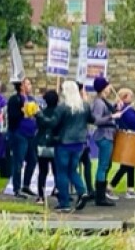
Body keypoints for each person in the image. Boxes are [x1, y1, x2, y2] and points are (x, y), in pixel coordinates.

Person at [54, 80, 94, 213]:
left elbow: (55, 123)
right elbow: (91, 119)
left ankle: (64, 202)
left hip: (64, 142)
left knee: (62, 172)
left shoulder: (62, 107)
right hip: (80, 143)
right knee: (73, 170)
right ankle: (82, 191)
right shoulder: (85, 106)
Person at [109, 88, 135, 199]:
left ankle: (130, 188)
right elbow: (134, 122)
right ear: (125, 97)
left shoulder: (126, 108)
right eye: (130, 96)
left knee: (130, 163)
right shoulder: (124, 109)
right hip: (128, 137)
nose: (132, 98)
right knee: (126, 164)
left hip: (131, 137)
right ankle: (110, 186)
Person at [91, 76, 121, 206]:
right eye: (108, 86)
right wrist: (112, 116)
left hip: (108, 134)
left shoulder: (103, 101)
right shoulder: (98, 102)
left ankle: (101, 193)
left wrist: (115, 107)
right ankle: (100, 196)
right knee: (103, 165)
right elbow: (97, 120)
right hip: (104, 135)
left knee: (106, 165)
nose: (110, 88)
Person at [7, 78, 39, 199]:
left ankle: (26, 184)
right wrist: (23, 110)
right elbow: (13, 116)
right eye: (28, 84)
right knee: (18, 161)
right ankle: (16, 188)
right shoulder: (15, 99)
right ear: (21, 86)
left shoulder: (31, 99)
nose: (30, 86)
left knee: (32, 160)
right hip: (19, 133)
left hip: (31, 134)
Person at [35, 90, 60, 203]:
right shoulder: (59, 114)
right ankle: (58, 190)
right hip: (55, 145)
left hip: (42, 144)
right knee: (57, 171)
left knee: (42, 171)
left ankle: (41, 196)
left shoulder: (42, 113)